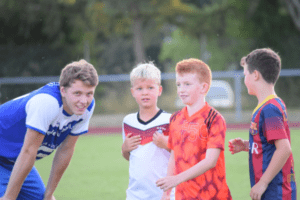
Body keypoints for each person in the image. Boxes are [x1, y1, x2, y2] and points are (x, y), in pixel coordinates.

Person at [0, 59, 98, 200]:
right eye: (77, 93)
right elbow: (28, 151)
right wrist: (9, 197)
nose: (84, 101)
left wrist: (49, 194)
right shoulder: (48, 103)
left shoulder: (86, 108)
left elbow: (66, 150)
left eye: (89, 94)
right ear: (63, 90)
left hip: (14, 159)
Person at [156, 58, 232, 200]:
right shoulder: (175, 118)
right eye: (178, 84)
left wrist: (177, 179)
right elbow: (174, 155)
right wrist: (166, 192)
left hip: (213, 196)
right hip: (184, 196)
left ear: (203, 87)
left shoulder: (214, 119)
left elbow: (210, 161)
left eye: (187, 84)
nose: (181, 89)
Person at [228, 48, 297, 200]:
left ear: (255, 75)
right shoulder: (267, 105)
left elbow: (284, 149)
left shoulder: (270, 109)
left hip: (276, 193)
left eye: (245, 74)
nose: (244, 78)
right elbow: (270, 144)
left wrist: (263, 183)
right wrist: (249, 145)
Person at [121, 62, 175, 200]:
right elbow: (130, 156)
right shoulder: (128, 121)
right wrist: (124, 149)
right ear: (133, 92)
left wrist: (167, 144)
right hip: (135, 195)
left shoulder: (170, 120)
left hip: (163, 194)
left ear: (159, 90)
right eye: (139, 88)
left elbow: (182, 156)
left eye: (150, 87)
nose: (145, 92)